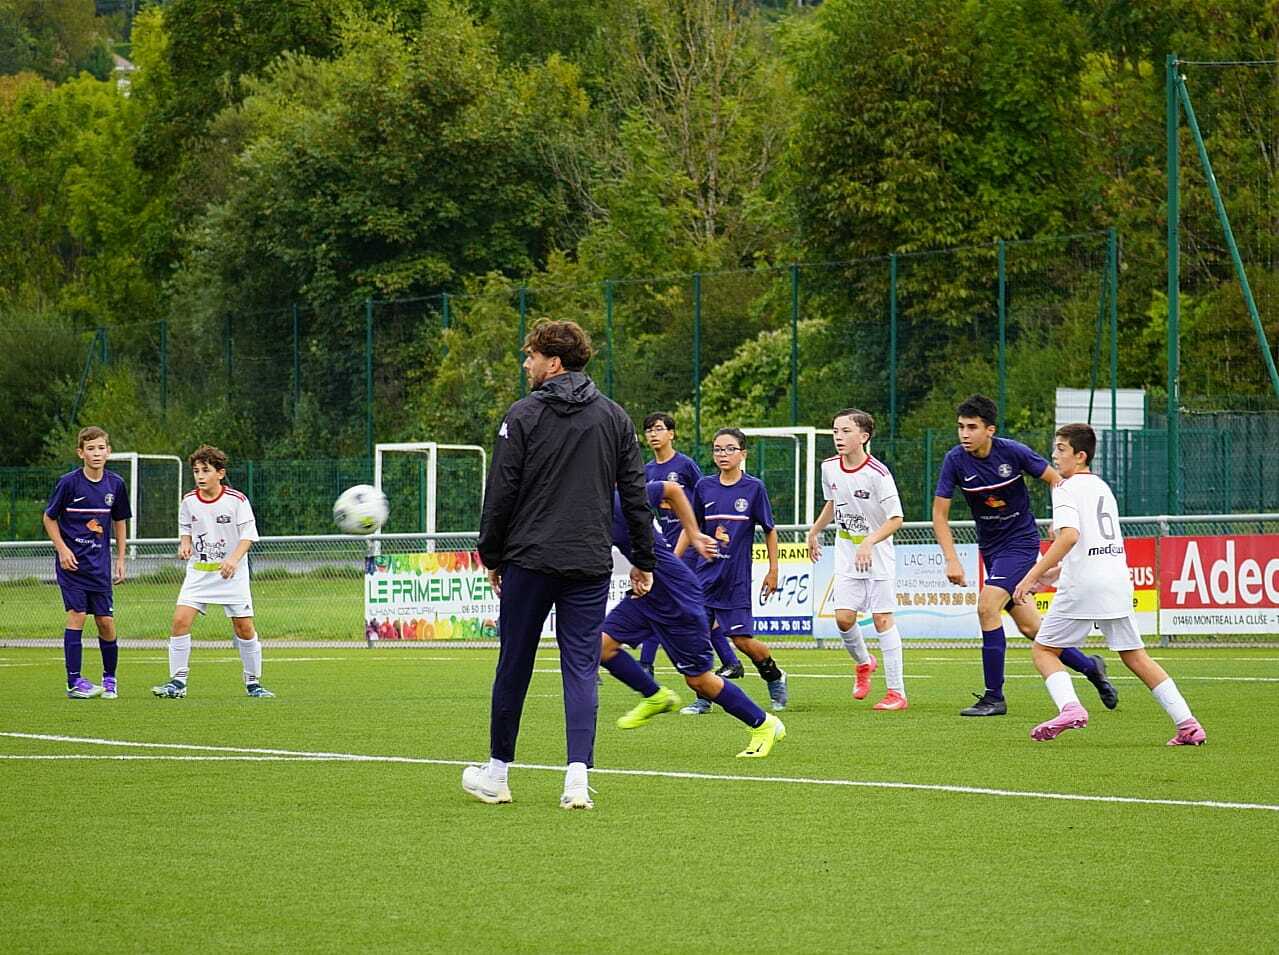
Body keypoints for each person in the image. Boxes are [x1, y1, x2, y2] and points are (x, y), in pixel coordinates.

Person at [464, 319, 656, 811]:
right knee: (581, 667)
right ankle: (576, 780)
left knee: (515, 663)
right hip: (588, 562)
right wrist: (643, 559)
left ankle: (497, 774)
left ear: (553, 362)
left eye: (530, 356)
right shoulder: (614, 417)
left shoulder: (523, 414)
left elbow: (500, 491)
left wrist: (491, 555)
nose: (525, 364)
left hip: (529, 560)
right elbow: (635, 495)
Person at [1012, 424, 1206, 745]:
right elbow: (1091, 546)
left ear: (1080, 455)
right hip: (1116, 581)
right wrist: (1053, 573)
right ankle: (1188, 724)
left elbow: (1069, 537)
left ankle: (1071, 708)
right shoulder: (1103, 487)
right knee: (1136, 657)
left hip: (1084, 586)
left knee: (1044, 650)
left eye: (1061, 449)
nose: (1054, 455)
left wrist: (1032, 575)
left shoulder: (1064, 487)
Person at [932, 395, 1117, 717]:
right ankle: (1091, 668)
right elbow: (939, 514)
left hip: (1020, 544)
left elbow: (1056, 480)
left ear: (990, 430)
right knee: (1033, 629)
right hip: (991, 549)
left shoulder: (1013, 452)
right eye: (961, 427)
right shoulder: (955, 460)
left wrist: (1062, 518)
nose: (964, 433)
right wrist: (951, 558)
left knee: (987, 606)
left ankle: (994, 697)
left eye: (972, 427)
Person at [602, 479, 786, 756]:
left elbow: (672, 489)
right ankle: (655, 695)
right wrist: (641, 565)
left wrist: (694, 534)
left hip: (676, 596)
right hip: (646, 592)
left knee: (699, 681)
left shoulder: (621, 498)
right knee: (601, 647)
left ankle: (764, 724)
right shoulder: (592, 508)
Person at [677, 428, 787, 714]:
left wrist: (773, 570)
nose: (722, 454)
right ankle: (703, 697)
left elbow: (770, 530)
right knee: (696, 638)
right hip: (704, 577)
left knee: (742, 641)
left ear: (743, 454)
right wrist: (674, 562)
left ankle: (774, 676)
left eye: (729, 449)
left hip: (735, 580)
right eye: (717, 449)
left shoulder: (754, 488)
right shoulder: (704, 487)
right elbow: (691, 527)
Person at [152, 445, 275, 700]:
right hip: (199, 573)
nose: (200, 475)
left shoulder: (237, 501)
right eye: (196, 471)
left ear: (220, 473)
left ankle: (253, 683)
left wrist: (233, 559)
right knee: (180, 621)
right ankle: (178, 682)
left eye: (205, 470)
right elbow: (186, 527)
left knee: (243, 628)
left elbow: (249, 536)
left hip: (232, 575)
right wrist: (184, 543)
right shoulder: (189, 500)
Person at [807, 409, 907, 710]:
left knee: (882, 619)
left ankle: (896, 693)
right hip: (847, 553)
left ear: (863, 436)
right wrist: (814, 531)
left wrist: (869, 541)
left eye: (846, 431)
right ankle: (864, 663)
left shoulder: (878, 474)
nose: (838, 437)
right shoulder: (829, 467)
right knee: (843, 618)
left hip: (878, 555)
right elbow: (833, 503)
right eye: (835, 431)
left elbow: (896, 519)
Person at [641, 412, 742, 680]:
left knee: (664, 601)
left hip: (688, 545)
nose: (653, 434)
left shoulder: (684, 465)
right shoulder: (647, 471)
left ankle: (646, 665)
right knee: (683, 605)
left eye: (659, 428)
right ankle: (730, 661)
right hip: (666, 544)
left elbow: (704, 498)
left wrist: (698, 538)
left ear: (671, 434)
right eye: (649, 430)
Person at [43, 426, 131, 699]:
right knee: (77, 615)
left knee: (105, 621)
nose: (96, 453)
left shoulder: (115, 484)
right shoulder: (69, 483)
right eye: (90, 448)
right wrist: (62, 549)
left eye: (101, 448)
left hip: (99, 567)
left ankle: (109, 679)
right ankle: (74, 682)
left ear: (109, 451)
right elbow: (49, 518)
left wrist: (120, 559)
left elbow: (120, 521)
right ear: (80, 453)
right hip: (72, 566)